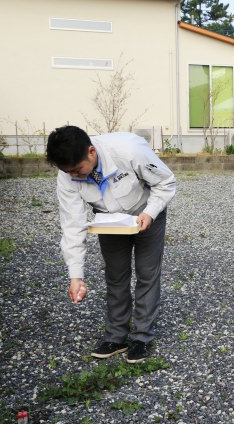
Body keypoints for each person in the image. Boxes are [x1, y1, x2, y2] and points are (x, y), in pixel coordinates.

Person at [45, 126, 176, 363]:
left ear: (92, 152)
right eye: (69, 172)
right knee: (116, 276)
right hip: (109, 222)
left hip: (146, 213)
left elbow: (165, 182)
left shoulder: (128, 150)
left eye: (77, 170)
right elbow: (72, 224)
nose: (74, 176)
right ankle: (116, 336)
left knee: (147, 273)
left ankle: (142, 338)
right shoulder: (67, 174)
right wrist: (76, 276)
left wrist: (151, 212)